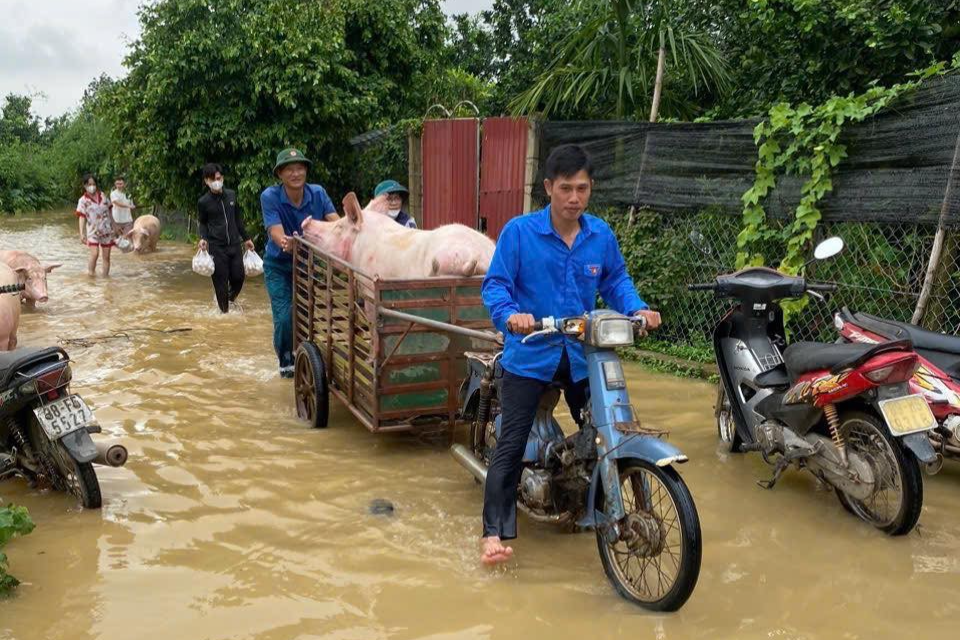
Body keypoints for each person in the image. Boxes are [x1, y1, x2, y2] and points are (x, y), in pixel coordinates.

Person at [478, 144, 662, 566]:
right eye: (565, 188)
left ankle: (602, 502)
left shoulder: (600, 235)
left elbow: (616, 280)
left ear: (590, 189)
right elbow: (496, 285)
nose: (574, 197)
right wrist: (511, 316)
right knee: (510, 443)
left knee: (610, 427)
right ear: (548, 188)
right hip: (531, 352)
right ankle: (492, 532)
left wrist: (637, 309)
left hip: (583, 354)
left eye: (582, 188)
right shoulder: (519, 233)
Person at [260, 148, 340, 378]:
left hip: (309, 264)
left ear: (306, 171)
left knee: (308, 313)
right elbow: (275, 232)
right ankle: (286, 361)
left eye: (300, 168)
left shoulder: (318, 193)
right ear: (280, 175)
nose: (296, 173)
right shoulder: (270, 196)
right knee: (285, 316)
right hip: (279, 265)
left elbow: (335, 222)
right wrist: (286, 242)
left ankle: (308, 355)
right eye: (290, 170)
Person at [197, 163, 255, 313]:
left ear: (222, 178)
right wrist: (203, 238)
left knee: (239, 278)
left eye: (218, 177)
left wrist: (247, 238)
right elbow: (203, 223)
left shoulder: (231, 195)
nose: (216, 181)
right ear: (206, 181)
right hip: (217, 247)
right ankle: (224, 315)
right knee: (221, 283)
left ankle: (228, 301)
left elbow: (237, 219)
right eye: (212, 179)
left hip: (235, 245)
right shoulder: (203, 202)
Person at [75, 174, 115, 276]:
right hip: (93, 232)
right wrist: (81, 233)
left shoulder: (103, 196)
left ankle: (106, 279)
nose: (92, 186)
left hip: (106, 230)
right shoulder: (83, 200)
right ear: (85, 186)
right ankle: (91, 275)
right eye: (89, 184)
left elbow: (110, 211)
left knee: (106, 257)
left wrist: (115, 226)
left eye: (93, 184)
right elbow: (82, 216)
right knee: (95, 254)